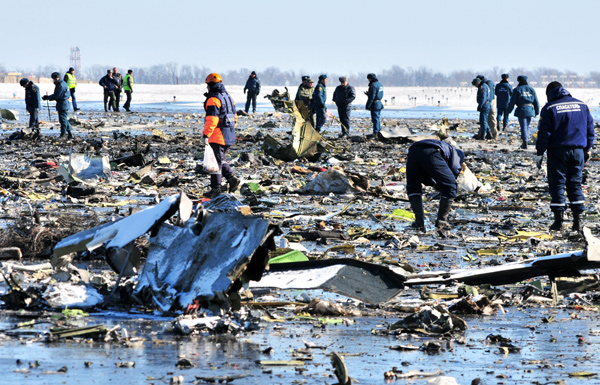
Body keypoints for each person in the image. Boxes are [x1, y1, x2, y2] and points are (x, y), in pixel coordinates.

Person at [535, 81, 594, 232]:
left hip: (557, 152)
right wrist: (587, 149)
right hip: (578, 151)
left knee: (557, 184)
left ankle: (558, 222)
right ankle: (577, 221)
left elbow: (544, 133)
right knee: (575, 183)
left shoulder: (549, 108)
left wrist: (540, 152)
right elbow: (590, 129)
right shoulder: (582, 106)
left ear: (549, 93)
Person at [406, 139, 465, 231]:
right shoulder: (458, 155)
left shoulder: (446, 150)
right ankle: (442, 221)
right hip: (432, 151)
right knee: (451, 186)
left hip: (413, 151)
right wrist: (445, 186)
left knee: (413, 187)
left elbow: (424, 177)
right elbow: (452, 177)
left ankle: (419, 222)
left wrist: (434, 184)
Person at [202, 73, 240, 198]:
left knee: (215, 164)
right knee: (220, 160)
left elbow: (212, 119)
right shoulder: (229, 97)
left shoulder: (213, 99)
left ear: (210, 85)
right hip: (229, 134)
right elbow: (235, 118)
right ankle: (231, 179)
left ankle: (217, 188)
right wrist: (231, 131)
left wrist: (206, 134)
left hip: (217, 136)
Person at [507, 75, 539, 149]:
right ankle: (525, 140)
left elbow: (512, 102)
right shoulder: (531, 89)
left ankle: (525, 142)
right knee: (526, 126)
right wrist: (537, 111)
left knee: (523, 126)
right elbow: (536, 101)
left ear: (519, 81)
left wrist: (508, 111)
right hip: (530, 109)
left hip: (522, 109)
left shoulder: (517, 89)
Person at [42, 72, 74, 139]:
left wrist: (48, 97)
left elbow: (57, 96)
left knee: (63, 120)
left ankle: (63, 133)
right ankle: (70, 133)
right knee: (64, 119)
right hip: (63, 103)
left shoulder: (60, 85)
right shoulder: (63, 83)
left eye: (55, 78)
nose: (54, 80)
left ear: (59, 78)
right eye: (53, 79)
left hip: (63, 104)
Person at [476, 75, 498, 139]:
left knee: (489, 118)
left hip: (488, 102)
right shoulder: (488, 83)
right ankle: (488, 133)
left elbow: (485, 96)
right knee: (486, 119)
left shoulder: (485, 85)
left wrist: (484, 104)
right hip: (489, 102)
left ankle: (492, 134)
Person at [365, 73, 384, 139]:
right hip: (379, 103)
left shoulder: (373, 85)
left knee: (375, 119)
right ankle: (379, 131)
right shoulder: (380, 84)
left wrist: (368, 105)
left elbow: (372, 97)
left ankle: (376, 132)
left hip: (375, 104)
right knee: (377, 118)